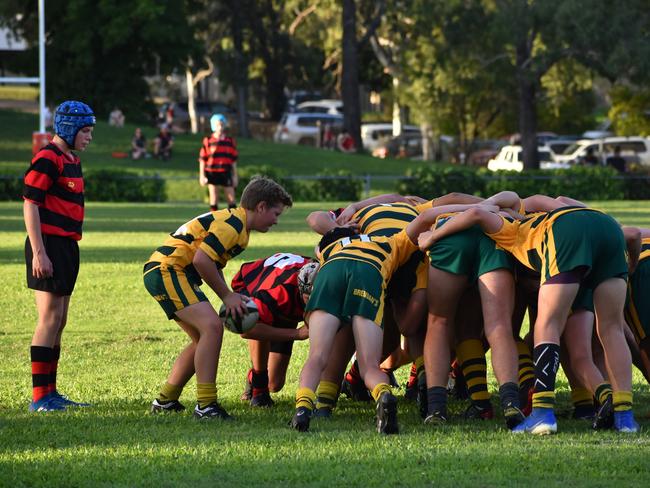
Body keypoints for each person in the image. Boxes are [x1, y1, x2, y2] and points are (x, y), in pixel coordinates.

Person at [418, 192, 640, 434]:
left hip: (566, 231)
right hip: (608, 228)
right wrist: (630, 265)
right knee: (612, 329)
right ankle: (625, 417)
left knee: (547, 325)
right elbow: (634, 235)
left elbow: (476, 213)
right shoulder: (541, 211)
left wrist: (432, 237)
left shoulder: (509, 229)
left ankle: (542, 413)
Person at [144, 177, 292, 420]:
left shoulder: (238, 225)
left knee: (202, 338)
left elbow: (211, 261)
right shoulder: (233, 225)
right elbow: (201, 261)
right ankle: (206, 405)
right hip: (168, 269)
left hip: (168, 270)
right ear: (261, 206)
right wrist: (227, 296)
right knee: (212, 327)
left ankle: (166, 400)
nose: (276, 220)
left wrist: (230, 295)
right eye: (275, 213)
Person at [23, 100, 96, 412]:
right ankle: (39, 397)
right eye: (86, 130)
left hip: (67, 246)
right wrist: (39, 252)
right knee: (49, 318)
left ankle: (51, 392)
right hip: (48, 245)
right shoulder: (47, 158)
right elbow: (30, 204)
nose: (89, 136)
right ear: (69, 127)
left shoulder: (71, 159)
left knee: (60, 320)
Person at [233, 254, 317, 407]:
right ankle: (258, 386)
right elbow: (246, 329)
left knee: (274, 383)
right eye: (310, 299)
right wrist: (297, 334)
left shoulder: (327, 284)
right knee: (258, 321)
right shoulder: (279, 294)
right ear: (301, 291)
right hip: (251, 283)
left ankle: (255, 379)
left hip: (286, 285)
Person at [199, 114, 238, 211]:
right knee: (214, 197)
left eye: (222, 125)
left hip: (226, 171)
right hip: (212, 172)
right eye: (217, 125)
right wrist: (202, 175)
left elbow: (233, 161)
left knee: (231, 198)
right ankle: (214, 221)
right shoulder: (208, 141)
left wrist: (235, 175)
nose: (220, 127)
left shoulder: (230, 141)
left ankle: (233, 221)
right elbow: (202, 159)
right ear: (213, 126)